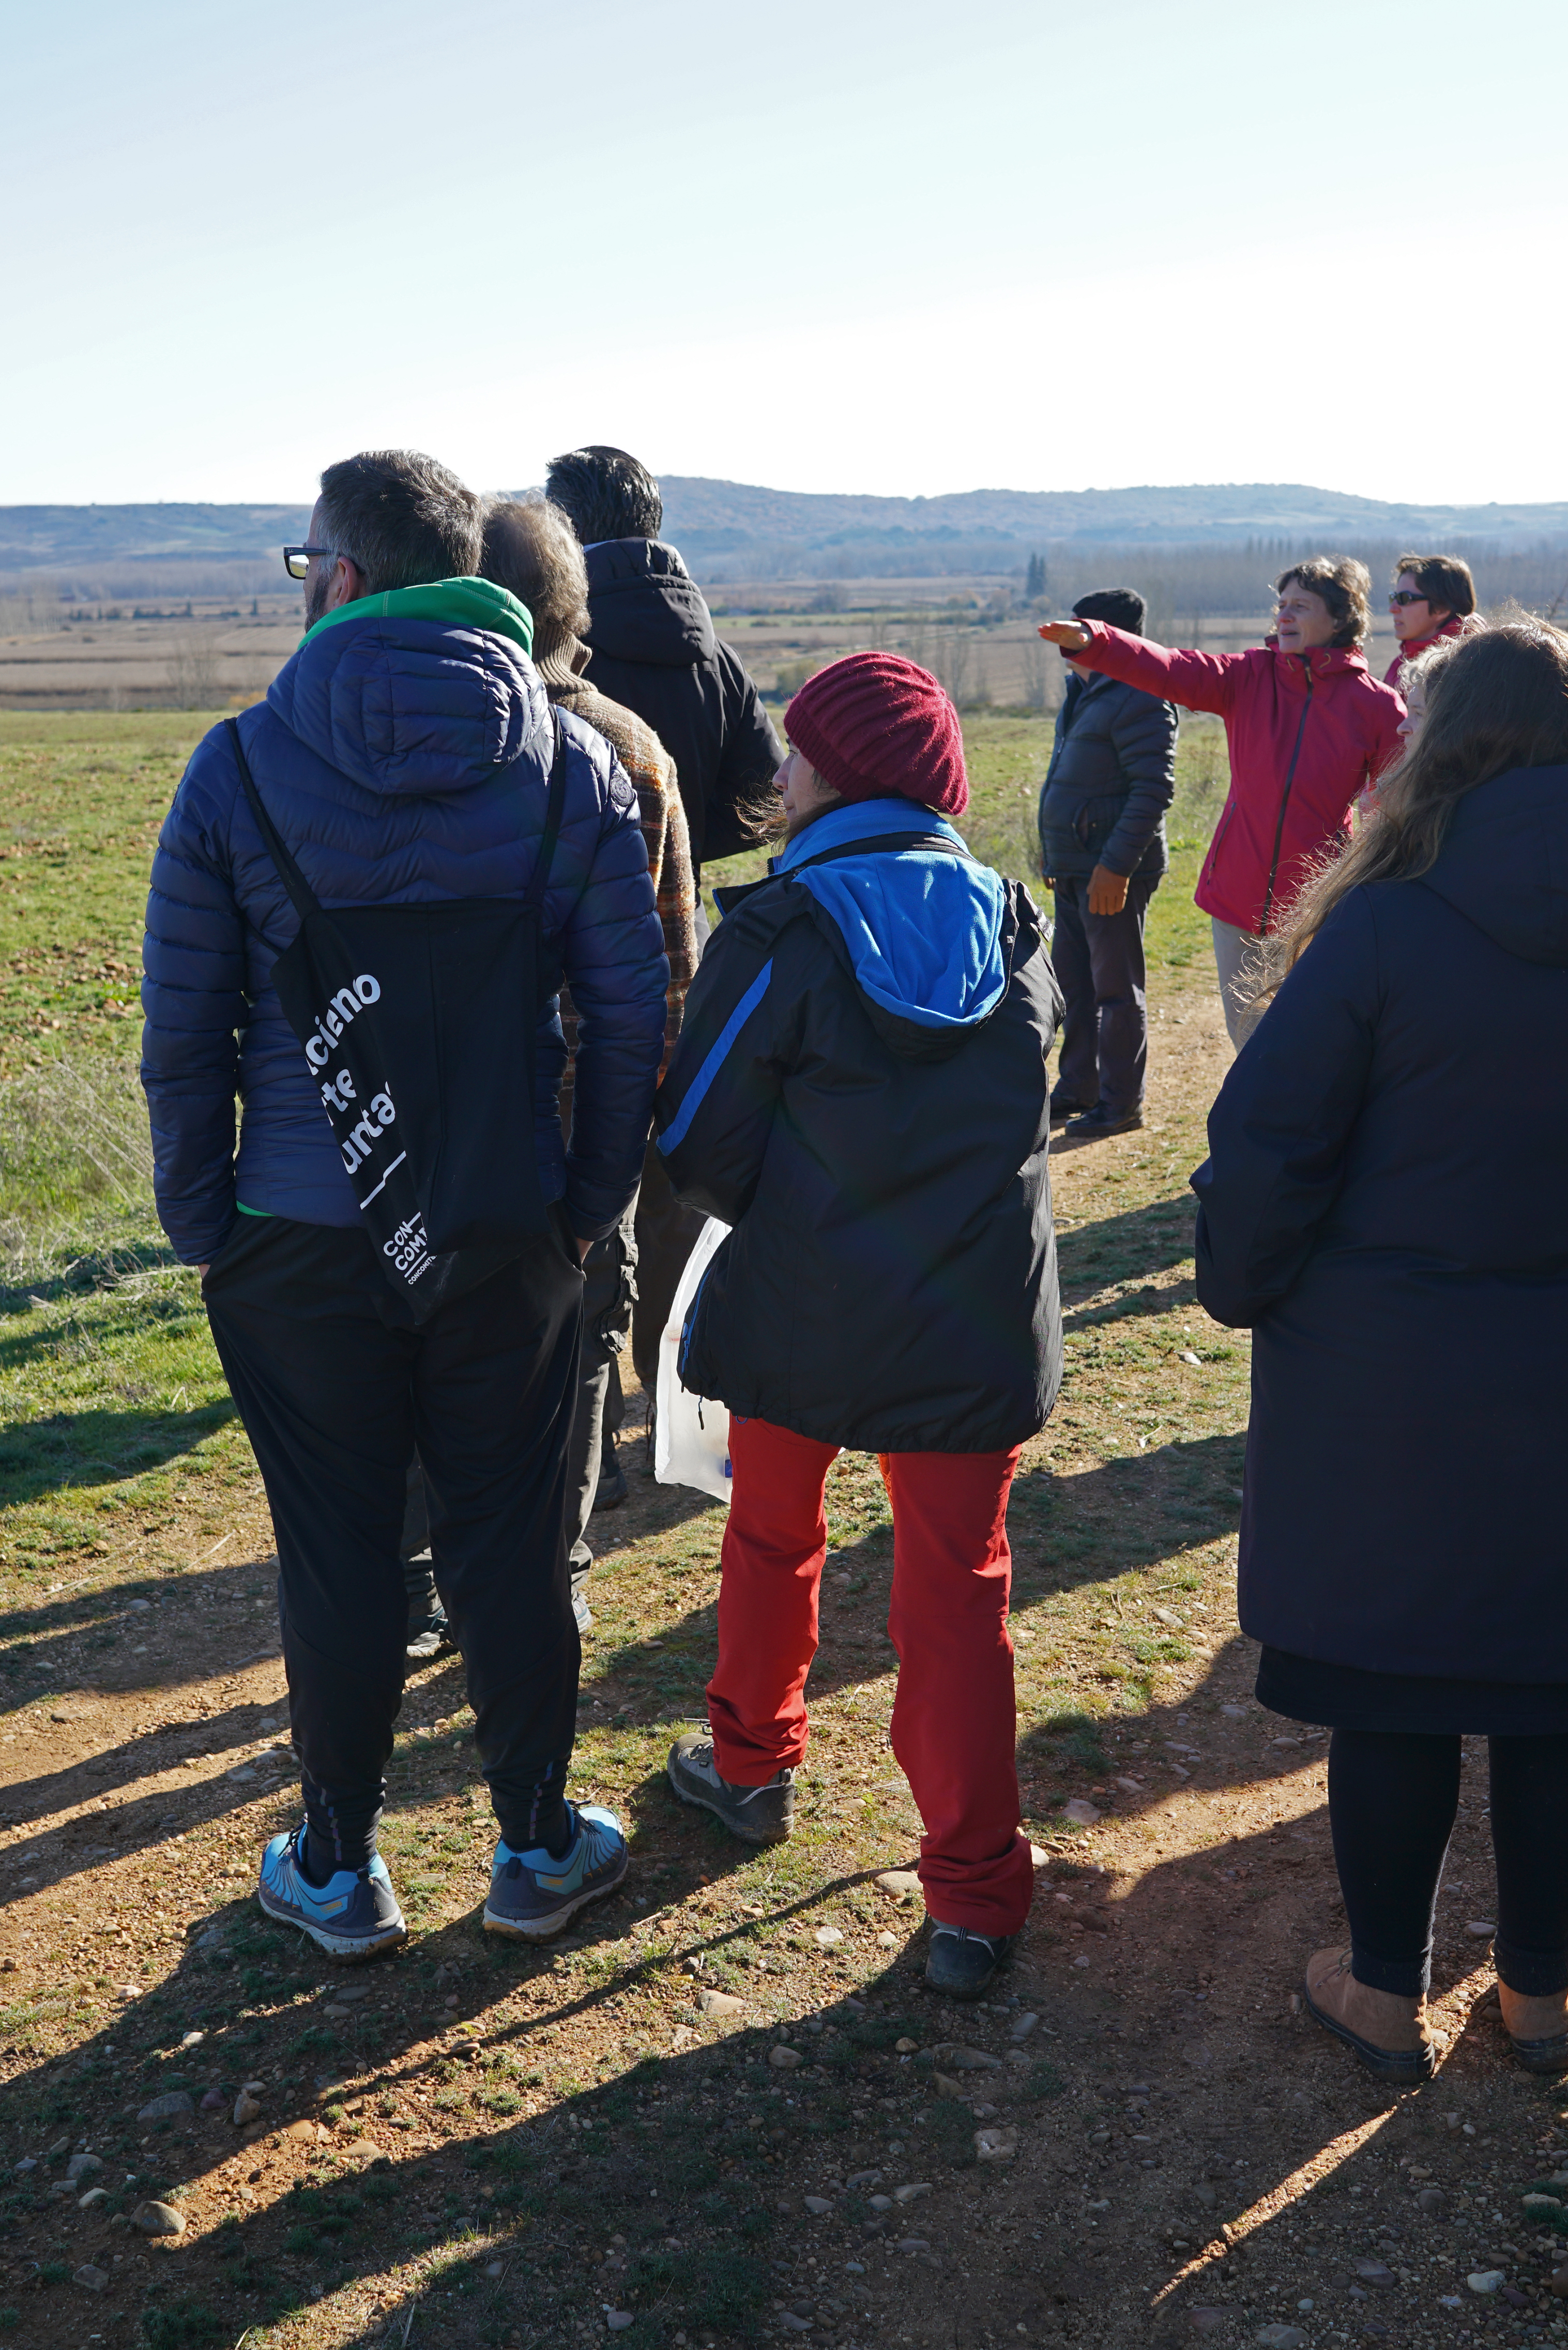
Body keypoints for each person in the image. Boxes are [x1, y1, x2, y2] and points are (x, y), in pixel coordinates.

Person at [1193, 621, 1568, 2079]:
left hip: (1391, 1383)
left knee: (1394, 1685)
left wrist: (1248, 1284)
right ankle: (1539, 1990)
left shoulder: (1384, 928)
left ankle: (1385, 1985)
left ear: (1441, 746)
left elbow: (1271, 1146)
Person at [140, 449, 667, 1960]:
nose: (298, 586)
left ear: (346, 580)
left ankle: (336, 1860)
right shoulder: (570, 765)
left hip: (298, 1238)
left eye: (302, 564)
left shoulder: (235, 767)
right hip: (509, 1223)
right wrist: (584, 1202)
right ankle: (533, 1846)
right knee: (510, 1543)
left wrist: (209, 1226)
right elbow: (628, 1018)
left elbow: (185, 1034)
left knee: (339, 1551)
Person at [648, 652, 1063, 2002]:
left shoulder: (780, 932)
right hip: (976, 1325)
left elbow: (701, 1149)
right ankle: (978, 1897)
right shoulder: (1019, 923)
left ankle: (752, 1763)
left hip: (798, 1317)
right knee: (960, 1598)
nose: (781, 767)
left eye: (796, 749)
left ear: (831, 773)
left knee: (773, 1536)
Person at [390, 498, 705, 1649]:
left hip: (429, 1117)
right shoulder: (627, 743)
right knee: (572, 1350)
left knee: (422, 1338)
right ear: (574, 608)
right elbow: (673, 963)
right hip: (583, 1125)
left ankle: (417, 1577)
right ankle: (554, 1569)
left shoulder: (406, 726)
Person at [1040, 557, 1405, 1052]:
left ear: (1341, 618)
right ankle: (1265, 1124)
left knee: (1317, 1035)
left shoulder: (1379, 707)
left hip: (1320, 904)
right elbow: (1168, 668)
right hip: (1236, 895)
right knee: (1249, 1035)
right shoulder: (1249, 676)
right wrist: (1098, 639)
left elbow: (1397, 811)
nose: (1285, 615)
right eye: (1282, 604)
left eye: (1301, 605)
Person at [546, 446, 786, 868]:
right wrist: (677, 847)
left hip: (569, 922)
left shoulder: (552, 651)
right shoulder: (721, 662)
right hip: (683, 920)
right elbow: (769, 797)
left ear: (566, 528)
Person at [1036, 588, 1181, 1136]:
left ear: (1112, 638)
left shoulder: (1141, 695)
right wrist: (1058, 856)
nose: (1067, 639)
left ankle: (1121, 1103)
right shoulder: (1083, 692)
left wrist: (1115, 868)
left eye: (1081, 629)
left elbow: (1153, 790)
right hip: (1074, 867)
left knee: (1116, 992)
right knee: (1076, 984)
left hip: (1114, 872)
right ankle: (1079, 1086)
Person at [1385, 553, 1477, 690]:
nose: (1393, 609)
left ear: (1442, 609)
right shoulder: (1401, 663)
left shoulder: (1464, 669)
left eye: (1404, 599)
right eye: (1394, 597)